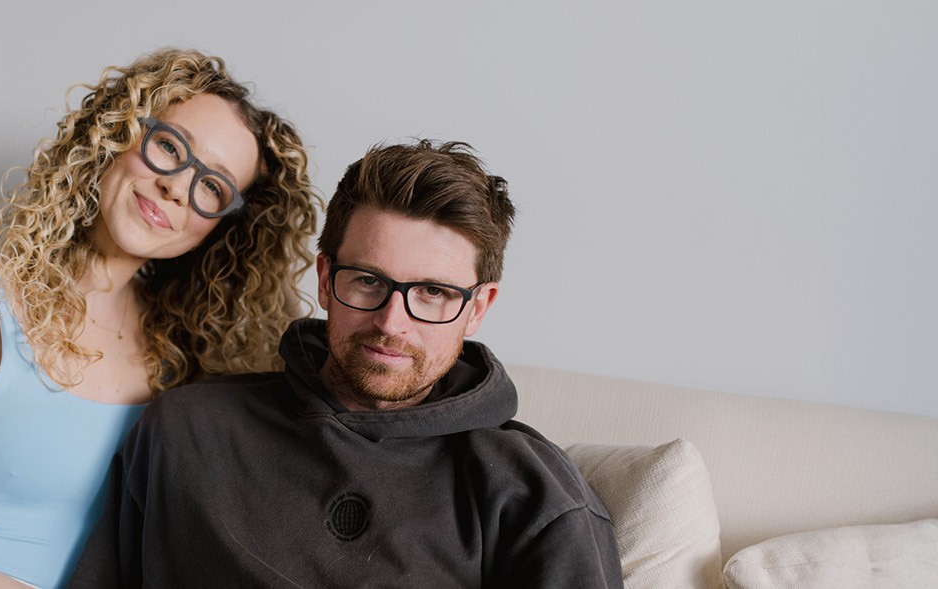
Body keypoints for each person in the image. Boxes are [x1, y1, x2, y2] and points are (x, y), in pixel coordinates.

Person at [0, 49, 321, 589]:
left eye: (213, 187)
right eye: (169, 146)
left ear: (220, 228)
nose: (178, 186)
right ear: (117, 132)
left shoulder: (189, 366)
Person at [69, 140, 624, 587]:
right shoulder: (186, 430)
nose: (391, 322)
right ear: (325, 279)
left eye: (432, 292)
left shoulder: (533, 495)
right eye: (367, 281)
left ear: (477, 308)